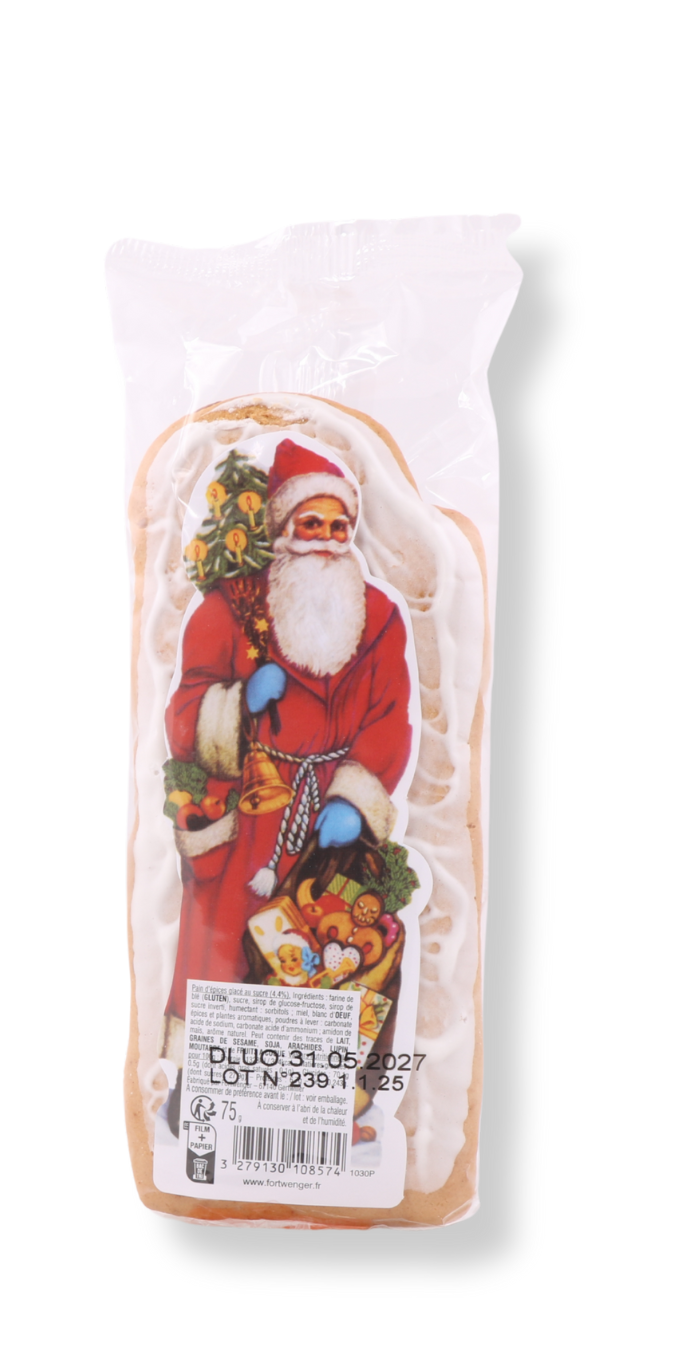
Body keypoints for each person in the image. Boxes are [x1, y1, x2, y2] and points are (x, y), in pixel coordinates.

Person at [163, 438, 413, 1024]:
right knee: (227, 952)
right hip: (250, 818)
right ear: (282, 528)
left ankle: (330, 1075)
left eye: (338, 526)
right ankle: (212, 1065)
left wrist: (354, 798)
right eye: (311, 523)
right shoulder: (232, 608)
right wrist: (235, 705)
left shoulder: (379, 617)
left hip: (329, 829)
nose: (326, 538)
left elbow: (390, 714)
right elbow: (183, 711)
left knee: (331, 953)